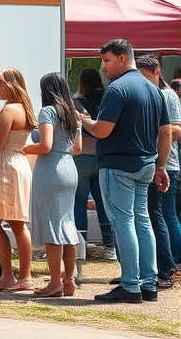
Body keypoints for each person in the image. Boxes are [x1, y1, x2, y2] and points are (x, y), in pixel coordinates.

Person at [83, 39, 171, 303]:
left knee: (124, 224)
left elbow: (103, 130)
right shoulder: (155, 89)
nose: (103, 67)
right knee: (142, 222)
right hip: (146, 165)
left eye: (107, 60)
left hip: (119, 165)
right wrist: (161, 166)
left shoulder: (117, 89)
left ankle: (131, 285)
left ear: (123, 58)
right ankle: (148, 284)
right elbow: (165, 131)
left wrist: (85, 121)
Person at [23, 73, 82, 297]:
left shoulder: (48, 111)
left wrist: (25, 149)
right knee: (67, 225)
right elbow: (76, 148)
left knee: (52, 228)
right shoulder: (71, 113)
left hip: (51, 170)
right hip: (69, 167)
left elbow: (45, 145)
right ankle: (69, 281)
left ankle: (55, 282)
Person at [0, 67, 36, 292]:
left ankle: (15, 276)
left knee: (7, 222)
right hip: (15, 165)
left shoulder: (10, 110)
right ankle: (16, 275)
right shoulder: (24, 108)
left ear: (10, 85)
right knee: (11, 222)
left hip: (6, 167)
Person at [135, 55, 181, 288]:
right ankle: (163, 266)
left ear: (156, 72)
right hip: (153, 163)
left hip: (165, 164)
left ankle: (169, 267)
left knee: (162, 215)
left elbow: (177, 129)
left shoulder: (167, 95)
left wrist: (155, 132)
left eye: (144, 76)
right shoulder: (153, 93)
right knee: (156, 215)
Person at [73, 68, 116, 260]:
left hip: (81, 157)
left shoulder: (78, 103)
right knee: (103, 203)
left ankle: (81, 245)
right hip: (101, 158)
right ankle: (110, 245)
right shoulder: (107, 101)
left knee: (79, 203)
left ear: (82, 84)